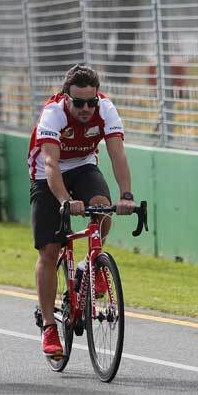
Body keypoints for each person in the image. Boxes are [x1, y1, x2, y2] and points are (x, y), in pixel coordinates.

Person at [28, 64, 135, 358]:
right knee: (50, 250)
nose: (86, 108)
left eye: (91, 102)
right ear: (66, 98)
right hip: (46, 174)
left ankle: (91, 265)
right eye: (79, 102)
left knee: (103, 207)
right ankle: (49, 324)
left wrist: (126, 195)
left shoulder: (106, 109)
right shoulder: (53, 114)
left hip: (84, 165)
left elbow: (117, 154)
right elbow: (50, 165)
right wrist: (64, 200)